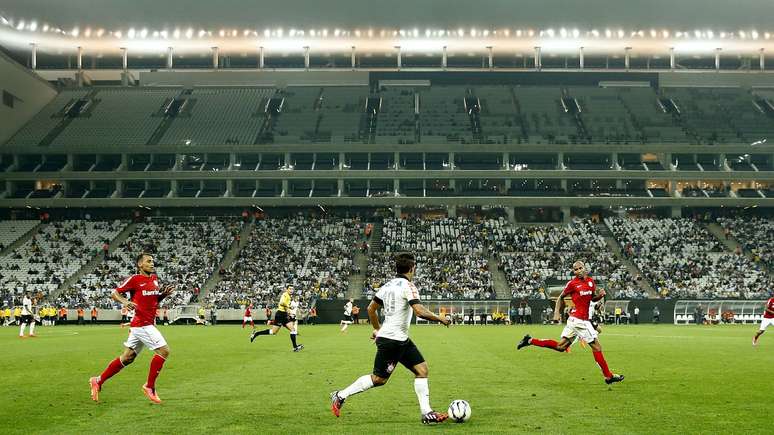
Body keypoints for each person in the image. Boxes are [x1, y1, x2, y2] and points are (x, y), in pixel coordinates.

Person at [330, 253, 451, 425]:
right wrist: (440, 318)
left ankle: (426, 413)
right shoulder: (409, 286)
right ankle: (340, 395)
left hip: (399, 339)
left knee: (422, 370)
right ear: (412, 268)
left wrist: (377, 329)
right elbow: (419, 311)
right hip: (392, 341)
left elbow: (371, 309)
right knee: (379, 379)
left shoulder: (387, 286)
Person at [517, 260, 624, 385]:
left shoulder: (590, 282)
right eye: (575, 269)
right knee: (597, 347)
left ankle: (530, 340)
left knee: (561, 347)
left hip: (576, 321)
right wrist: (557, 312)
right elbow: (560, 297)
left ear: (584, 268)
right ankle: (608, 376)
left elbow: (591, 298)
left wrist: (599, 296)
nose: (578, 271)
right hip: (580, 320)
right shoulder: (572, 284)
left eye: (580, 268)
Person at [89, 253, 175, 404]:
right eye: (148, 261)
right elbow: (114, 293)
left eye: (153, 261)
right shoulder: (135, 279)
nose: (152, 263)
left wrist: (163, 295)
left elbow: (152, 300)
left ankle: (98, 380)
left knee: (127, 358)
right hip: (142, 324)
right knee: (164, 350)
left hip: (144, 324)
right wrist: (125, 301)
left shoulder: (154, 279)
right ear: (140, 265)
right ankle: (149, 386)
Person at [249, 287, 303, 352]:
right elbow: (281, 303)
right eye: (290, 289)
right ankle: (257, 333)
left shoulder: (288, 296)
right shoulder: (285, 295)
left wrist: (289, 312)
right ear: (287, 289)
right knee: (273, 332)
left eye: (292, 289)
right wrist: (289, 309)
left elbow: (284, 307)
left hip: (284, 315)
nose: (291, 290)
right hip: (280, 315)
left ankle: (295, 347)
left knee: (293, 330)